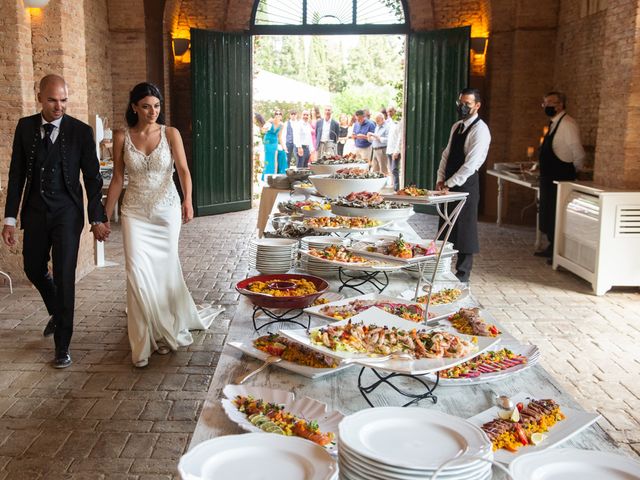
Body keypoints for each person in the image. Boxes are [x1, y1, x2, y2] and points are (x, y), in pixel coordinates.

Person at [103, 82, 222, 367]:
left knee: (164, 271)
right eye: (146, 106)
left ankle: (164, 331)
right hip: (134, 212)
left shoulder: (170, 133)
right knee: (136, 272)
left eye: (156, 106)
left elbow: (183, 170)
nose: (152, 111)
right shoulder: (122, 137)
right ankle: (143, 342)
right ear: (134, 107)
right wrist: (103, 216)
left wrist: (188, 200)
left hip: (166, 210)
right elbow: (118, 179)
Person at [2, 74, 109, 368]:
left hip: (67, 214)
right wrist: (10, 218)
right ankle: (56, 312)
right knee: (33, 267)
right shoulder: (25, 128)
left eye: (63, 100)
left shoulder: (80, 132)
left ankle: (62, 345)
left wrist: (96, 217)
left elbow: (93, 178)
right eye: (52, 100)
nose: (58, 106)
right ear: (40, 97)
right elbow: (16, 176)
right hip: (35, 212)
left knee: (64, 276)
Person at [436, 88, 491, 282]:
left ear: (477, 105)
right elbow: (447, 154)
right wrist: (440, 178)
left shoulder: (480, 130)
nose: (462, 107)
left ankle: (463, 275)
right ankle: (442, 269)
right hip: (448, 184)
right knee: (446, 225)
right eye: (460, 102)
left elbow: (471, 164)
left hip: (466, 185)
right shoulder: (456, 126)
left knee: (465, 229)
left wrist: (450, 183)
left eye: (467, 104)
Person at [535, 91, 585, 261]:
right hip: (550, 176)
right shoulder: (554, 123)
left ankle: (558, 251)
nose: (546, 106)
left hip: (561, 175)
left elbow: (577, 151)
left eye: (550, 103)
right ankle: (551, 246)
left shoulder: (568, 124)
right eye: (544, 103)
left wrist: (575, 170)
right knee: (548, 213)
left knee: (558, 214)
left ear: (560, 105)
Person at [261, 110, 287, 178]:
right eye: (276, 113)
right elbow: (263, 131)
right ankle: (267, 176)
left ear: (281, 116)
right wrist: (265, 128)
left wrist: (284, 146)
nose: (278, 114)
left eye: (279, 113)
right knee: (268, 158)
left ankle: (273, 176)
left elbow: (280, 137)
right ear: (274, 115)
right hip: (267, 141)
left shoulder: (282, 125)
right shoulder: (270, 122)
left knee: (274, 158)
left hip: (274, 142)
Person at [368, 112, 390, 176]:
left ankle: (385, 184)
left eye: (378, 121)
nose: (376, 122)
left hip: (382, 150)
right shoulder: (377, 126)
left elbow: (388, 140)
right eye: (376, 121)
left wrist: (379, 138)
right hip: (375, 149)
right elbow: (375, 138)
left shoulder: (387, 127)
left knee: (383, 169)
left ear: (383, 119)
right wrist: (370, 138)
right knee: (375, 169)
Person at [386, 108, 402, 191]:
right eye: (388, 111)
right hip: (389, 149)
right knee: (391, 170)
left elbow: (400, 138)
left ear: (395, 112)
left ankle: (397, 189)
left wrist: (396, 151)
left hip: (395, 151)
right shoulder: (390, 122)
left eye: (391, 111)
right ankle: (394, 187)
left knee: (394, 169)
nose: (389, 113)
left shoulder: (399, 122)